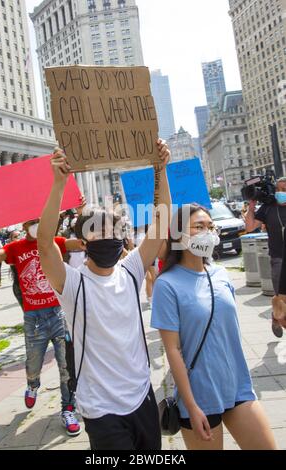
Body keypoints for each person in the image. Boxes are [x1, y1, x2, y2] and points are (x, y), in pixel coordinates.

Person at [37, 139, 171, 450]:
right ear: (82, 243)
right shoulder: (72, 284)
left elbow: (161, 224)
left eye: (114, 230)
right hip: (102, 409)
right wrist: (59, 183)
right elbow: (45, 245)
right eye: (98, 230)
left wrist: (160, 171)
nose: (109, 236)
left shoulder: (131, 269)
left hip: (142, 396)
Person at [151, 204, 277, 450]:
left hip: (238, 388)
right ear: (178, 235)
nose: (208, 232)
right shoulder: (166, 285)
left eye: (211, 226)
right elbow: (173, 350)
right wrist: (192, 406)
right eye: (199, 227)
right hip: (199, 397)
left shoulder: (220, 274)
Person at [0, 213, 86, 437]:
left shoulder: (55, 241)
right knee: (33, 363)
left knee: (65, 366)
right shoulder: (15, 247)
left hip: (58, 314)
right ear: (24, 225)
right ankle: (33, 384)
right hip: (34, 320)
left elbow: (81, 242)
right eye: (32, 222)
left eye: (39, 221)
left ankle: (68, 408)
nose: (37, 226)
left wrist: (82, 215)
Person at [245, 177, 286, 338]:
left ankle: (277, 316)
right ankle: (276, 317)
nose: (282, 193)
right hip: (278, 260)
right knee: (282, 298)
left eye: (285, 189)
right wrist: (252, 207)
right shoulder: (268, 208)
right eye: (279, 189)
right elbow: (249, 227)